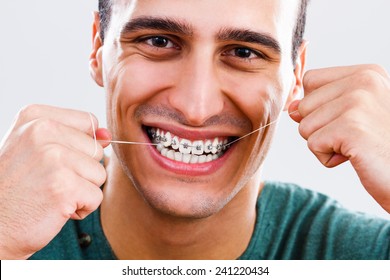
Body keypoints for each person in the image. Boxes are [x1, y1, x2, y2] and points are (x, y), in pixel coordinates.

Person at [0, 0, 389, 260]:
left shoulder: (365, 254)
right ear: (98, 48)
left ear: (295, 73)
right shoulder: (12, 233)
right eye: (158, 41)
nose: (195, 108)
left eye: (243, 52)